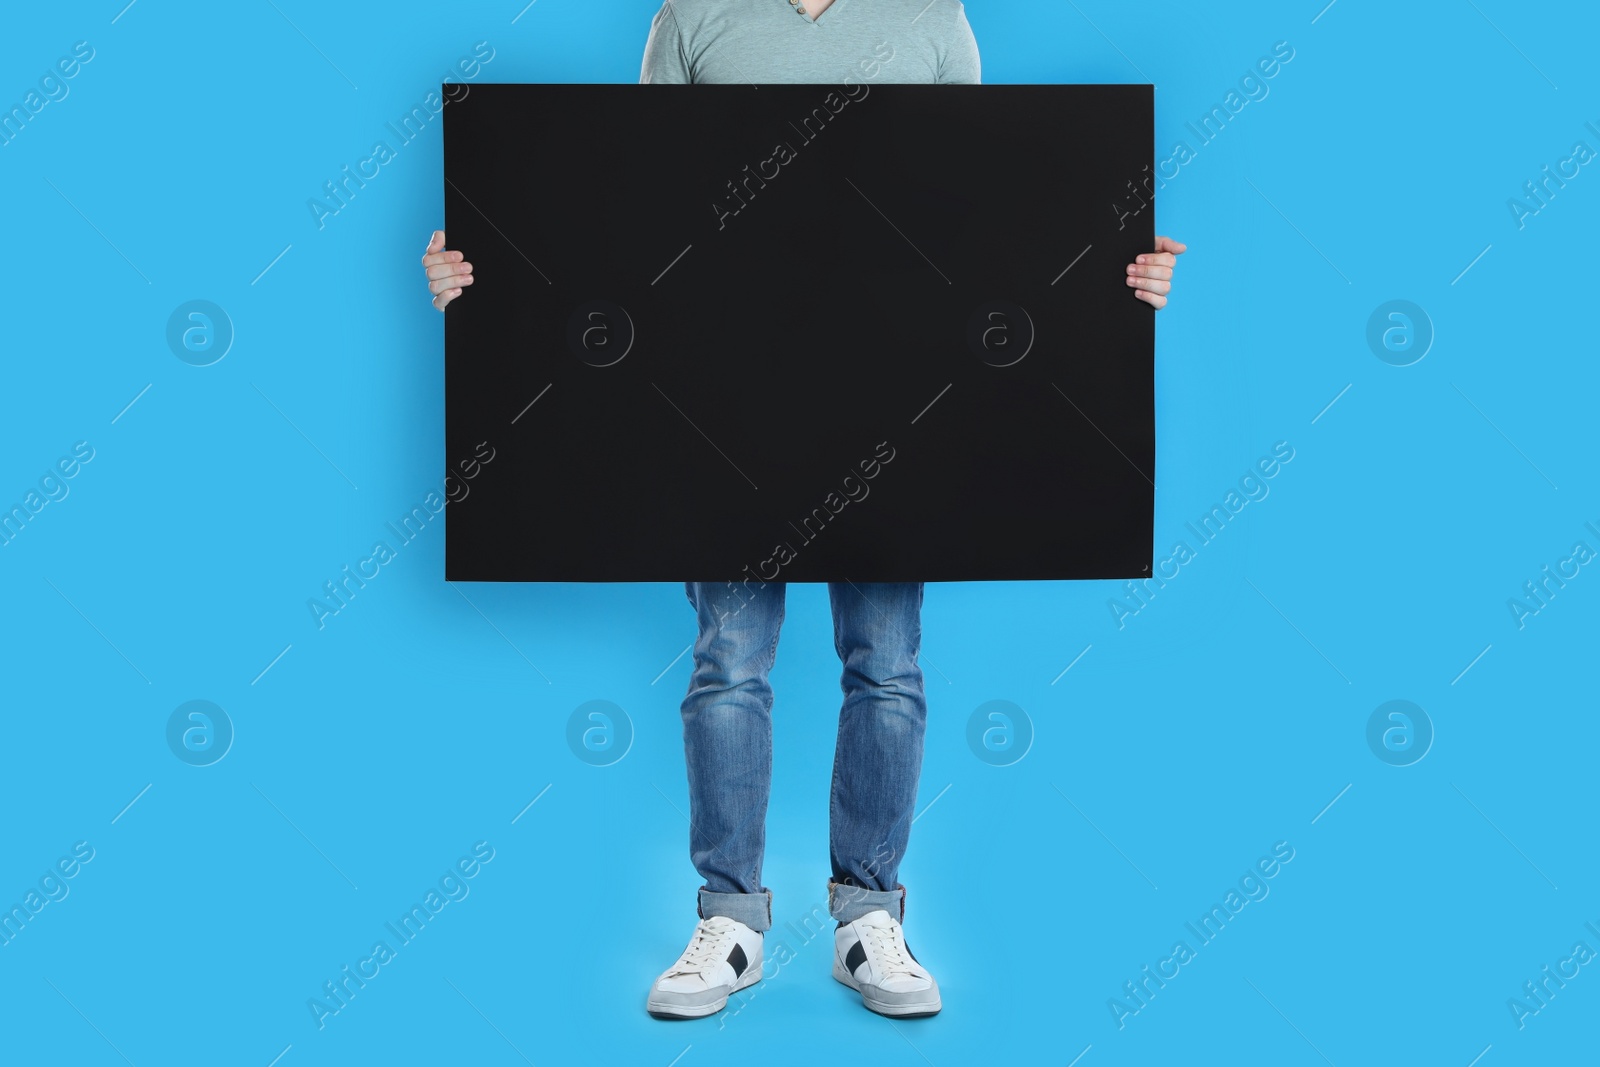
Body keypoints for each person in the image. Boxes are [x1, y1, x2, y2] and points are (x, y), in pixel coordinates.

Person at [420, 0, 1185, 1020]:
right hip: (722, 409)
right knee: (727, 660)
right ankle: (729, 917)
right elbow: (629, 211)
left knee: (886, 661)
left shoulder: (929, 20)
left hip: (892, 408)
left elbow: (995, 214)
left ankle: (870, 917)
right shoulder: (692, 15)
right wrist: (482, 279)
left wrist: (1116, 276)